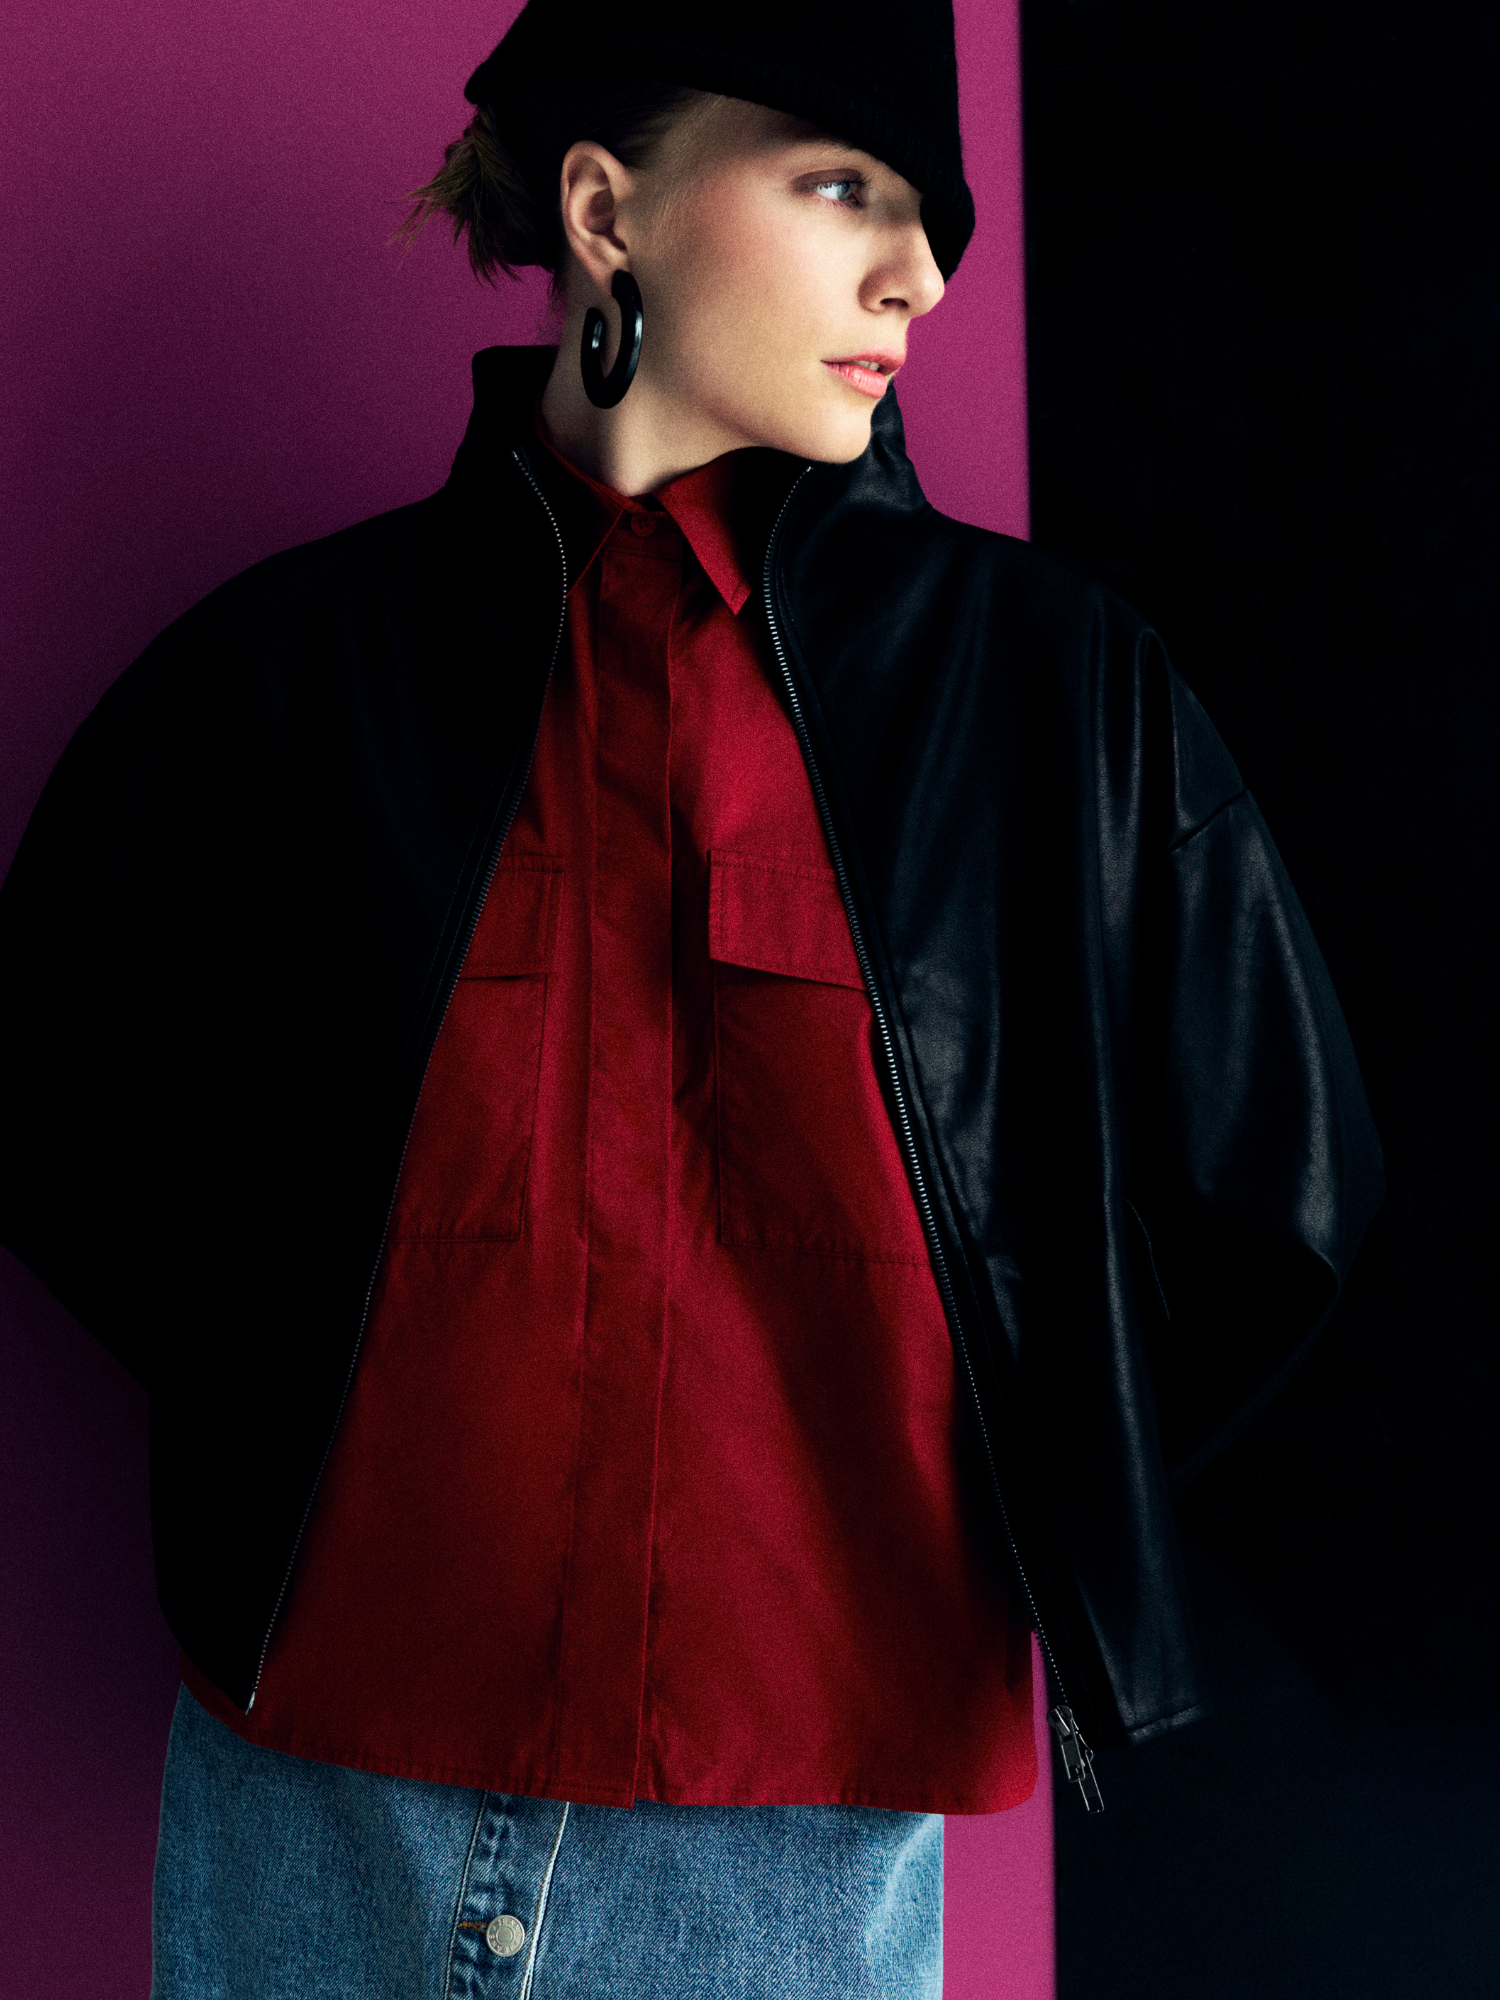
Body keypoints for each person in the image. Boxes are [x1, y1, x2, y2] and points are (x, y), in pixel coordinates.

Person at [0, 2, 1384, 1994]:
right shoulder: (282, 689)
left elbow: (1273, 1198)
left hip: (795, 1859)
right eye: (842, 187)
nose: (918, 277)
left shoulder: (1058, 708)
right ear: (604, 211)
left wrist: (1001, 1472)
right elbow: (61, 1108)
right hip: (313, 1811)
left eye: (930, 220)